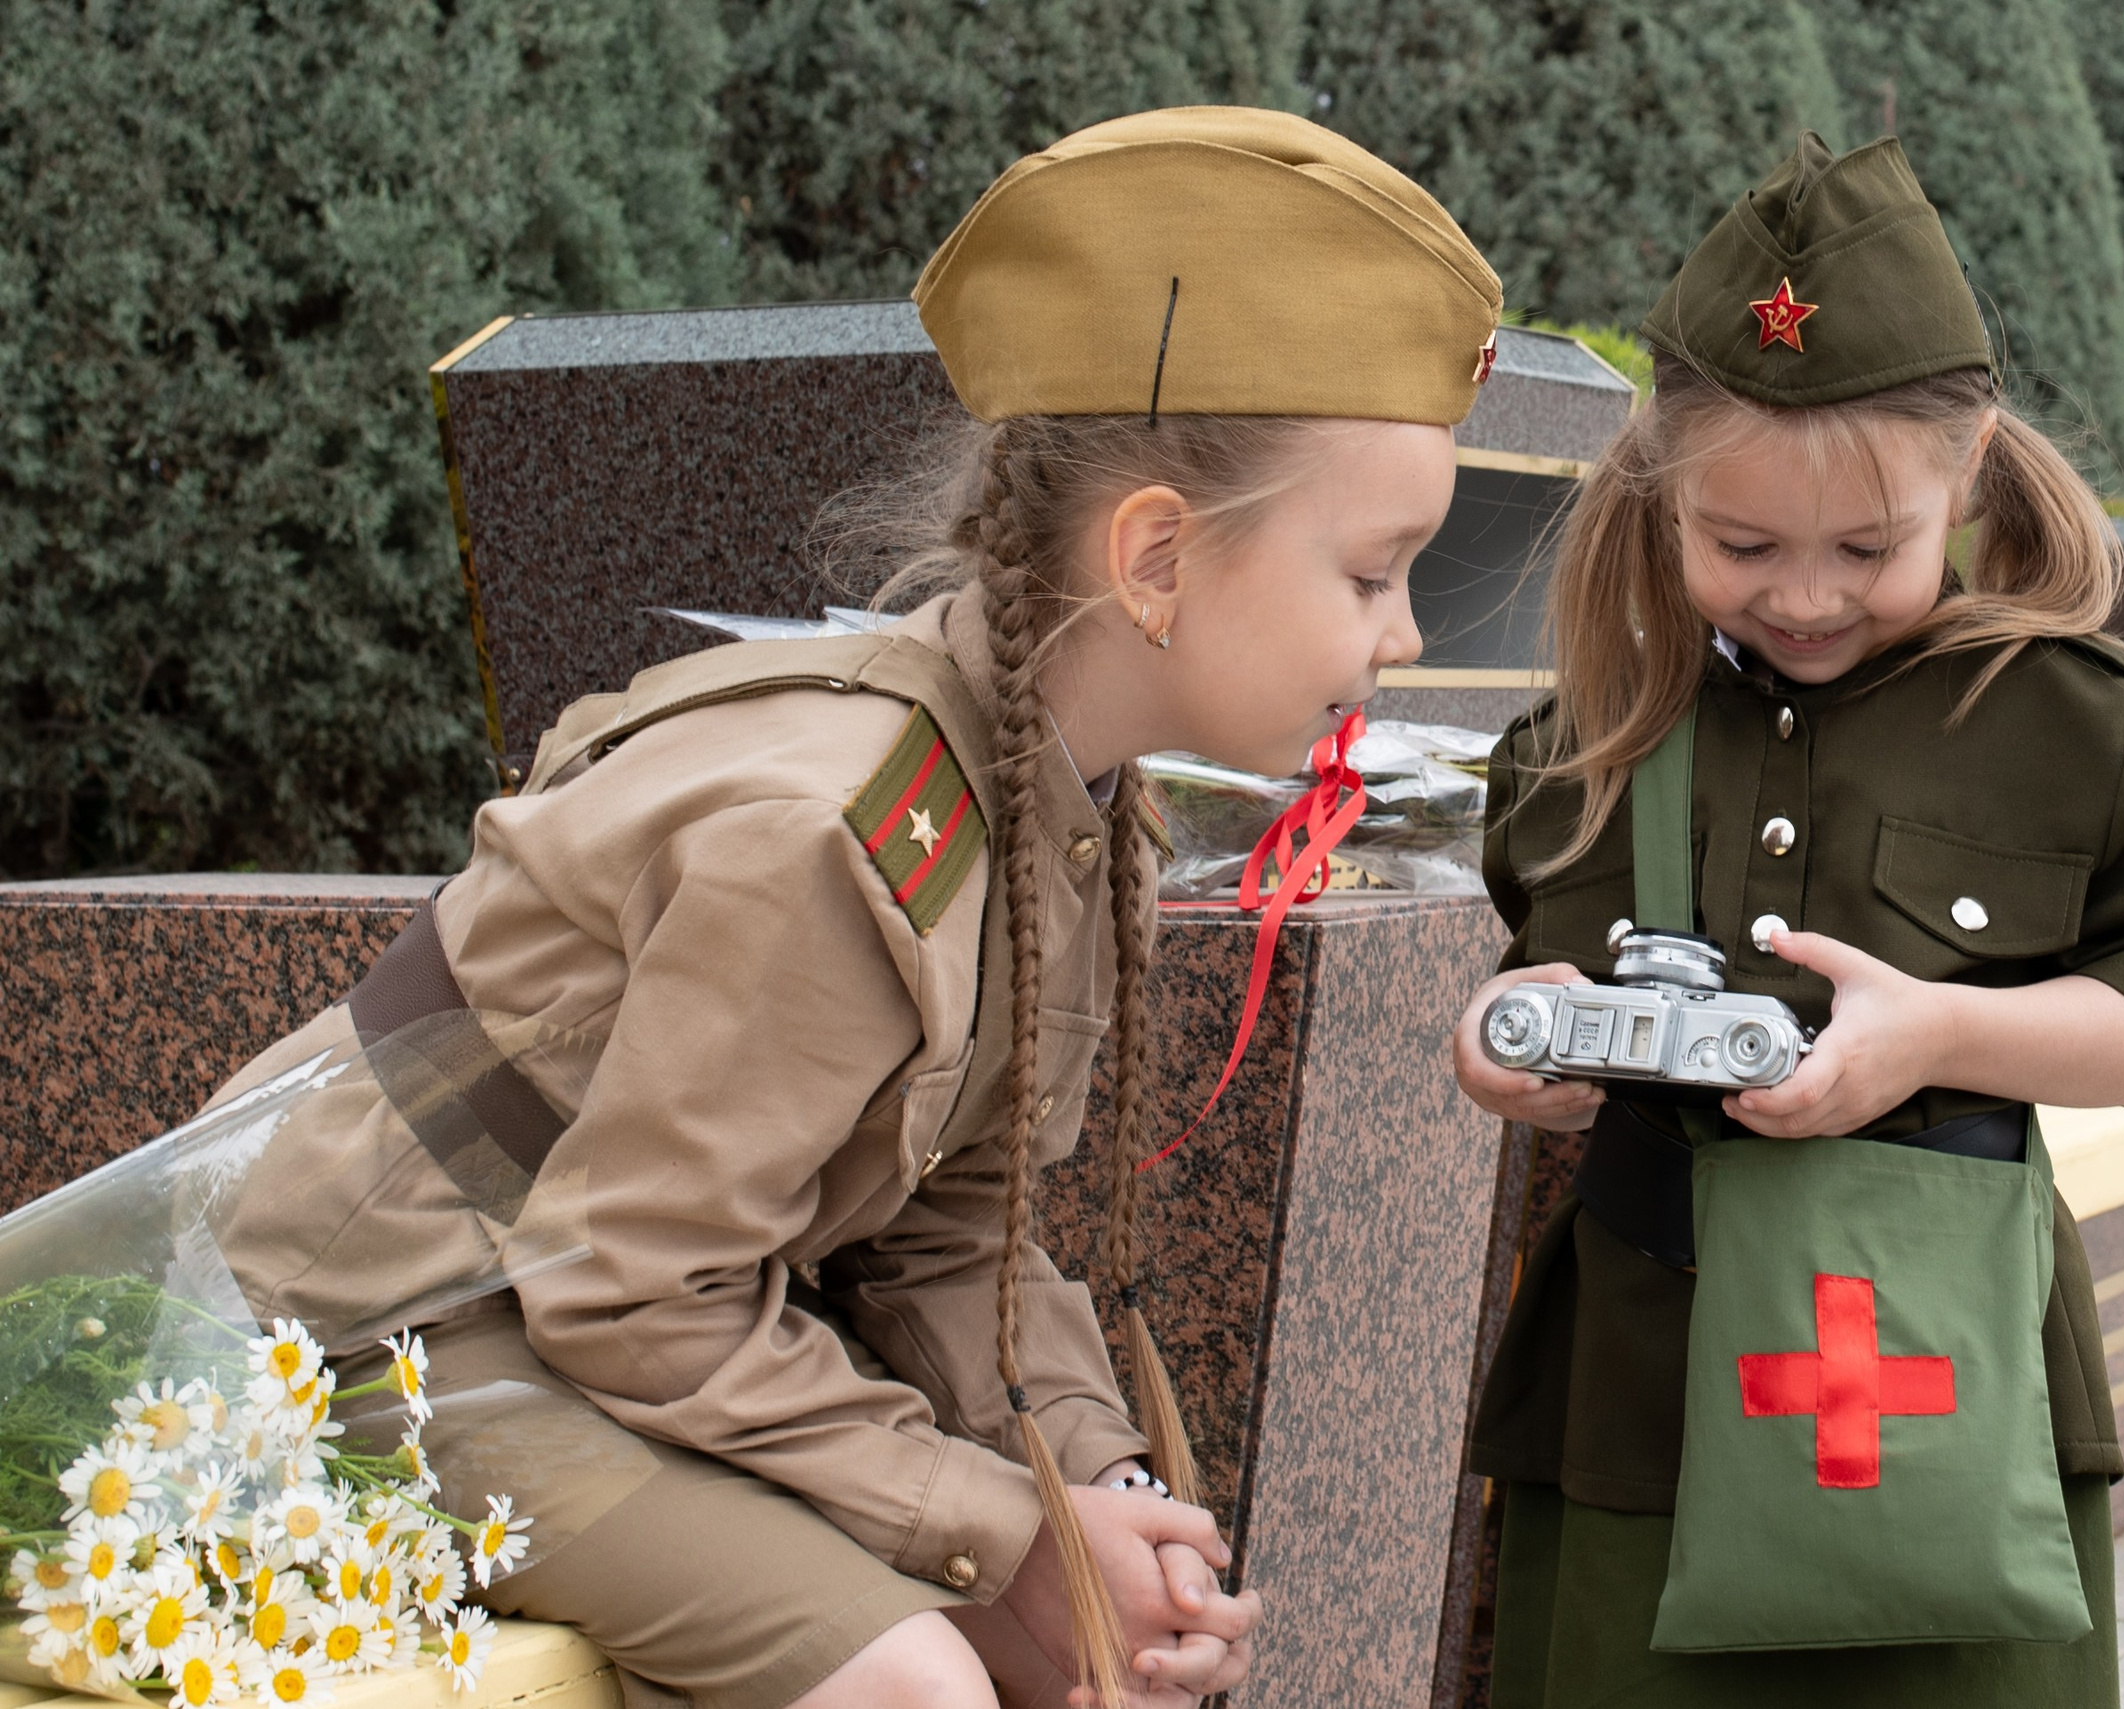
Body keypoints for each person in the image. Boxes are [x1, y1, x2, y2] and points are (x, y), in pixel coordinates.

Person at [203, 107, 1503, 1709]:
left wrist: (1100, 1494)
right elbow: (632, 1286)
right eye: (1372, 573)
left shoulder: (1060, 790)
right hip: (386, 1334)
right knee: (917, 1681)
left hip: (595, 1316)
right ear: (1157, 559)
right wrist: (1004, 1524)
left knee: (1094, 1645)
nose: (1406, 635)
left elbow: (951, 1224)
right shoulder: (838, 837)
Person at [1450, 132, 2124, 1707]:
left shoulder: (2076, 721)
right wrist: (1506, 1045)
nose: (1806, 595)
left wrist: (1941, 1032)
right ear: (1662, 489)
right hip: (1644, 1404)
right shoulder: (1583, 744)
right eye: (1743, 545)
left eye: (1868, 549)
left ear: (1969, 473)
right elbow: (1535, 976)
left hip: (1953, 1391)